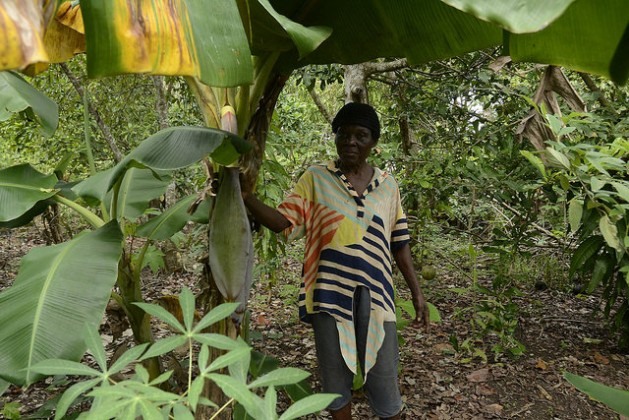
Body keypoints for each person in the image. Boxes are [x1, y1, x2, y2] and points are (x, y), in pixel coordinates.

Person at [242, 102, 430, 420]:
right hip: (328, 294)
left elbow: (400, 244)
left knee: (383, 379)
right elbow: (281, 221)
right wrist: (245, 196)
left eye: (361, 135)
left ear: (374, 142)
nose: (351, 142)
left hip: (378, 296)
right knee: (335, 382)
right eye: (344, 134)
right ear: (336, 137)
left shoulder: (388, 187)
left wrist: (417, 292)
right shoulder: (316, 179)